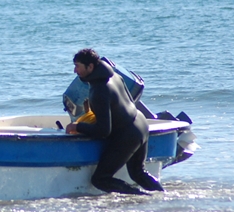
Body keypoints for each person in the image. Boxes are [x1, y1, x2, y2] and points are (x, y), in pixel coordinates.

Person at [65, 48, 164, 195]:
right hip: (141, 123)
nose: (75, 71)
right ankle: (162, 196)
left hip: (128, 134)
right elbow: (129, 102)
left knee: (100, 179)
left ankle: (140, 197)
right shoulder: (115, 76)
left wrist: (78, 126)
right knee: (138, 172)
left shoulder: (99, 90)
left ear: (90, 67)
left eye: (78, 66)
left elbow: (104, 131)